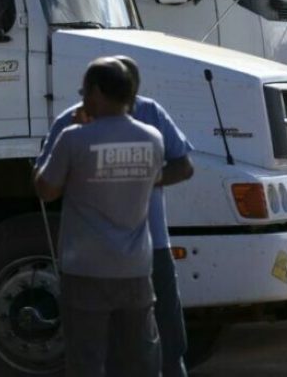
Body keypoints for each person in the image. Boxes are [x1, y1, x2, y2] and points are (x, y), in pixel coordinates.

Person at [37, 56, 195, 377]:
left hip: (119, 258)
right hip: (130, 262)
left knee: (152, 344)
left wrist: (132, 177)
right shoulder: (148, 135)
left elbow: (45, 187)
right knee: (138, 353)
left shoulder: (79, 131)